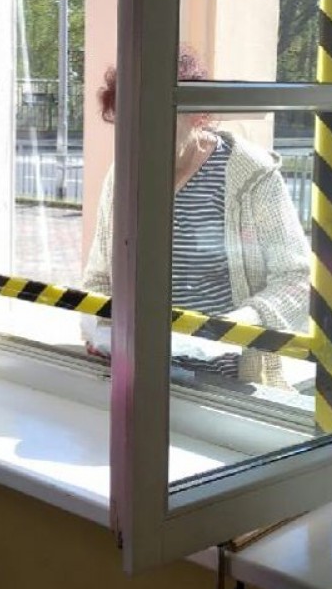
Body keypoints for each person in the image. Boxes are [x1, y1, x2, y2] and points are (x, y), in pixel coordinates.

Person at [82, 47, 310, 387]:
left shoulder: (250, 176)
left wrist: (231, 327)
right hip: (138, 375)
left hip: (224, 381)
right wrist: (100, 327)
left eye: (154, 122)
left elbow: (297, 280)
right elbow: (100, 276)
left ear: (198, 116)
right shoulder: (124, 175)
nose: (140, 140)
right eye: (128, 124)